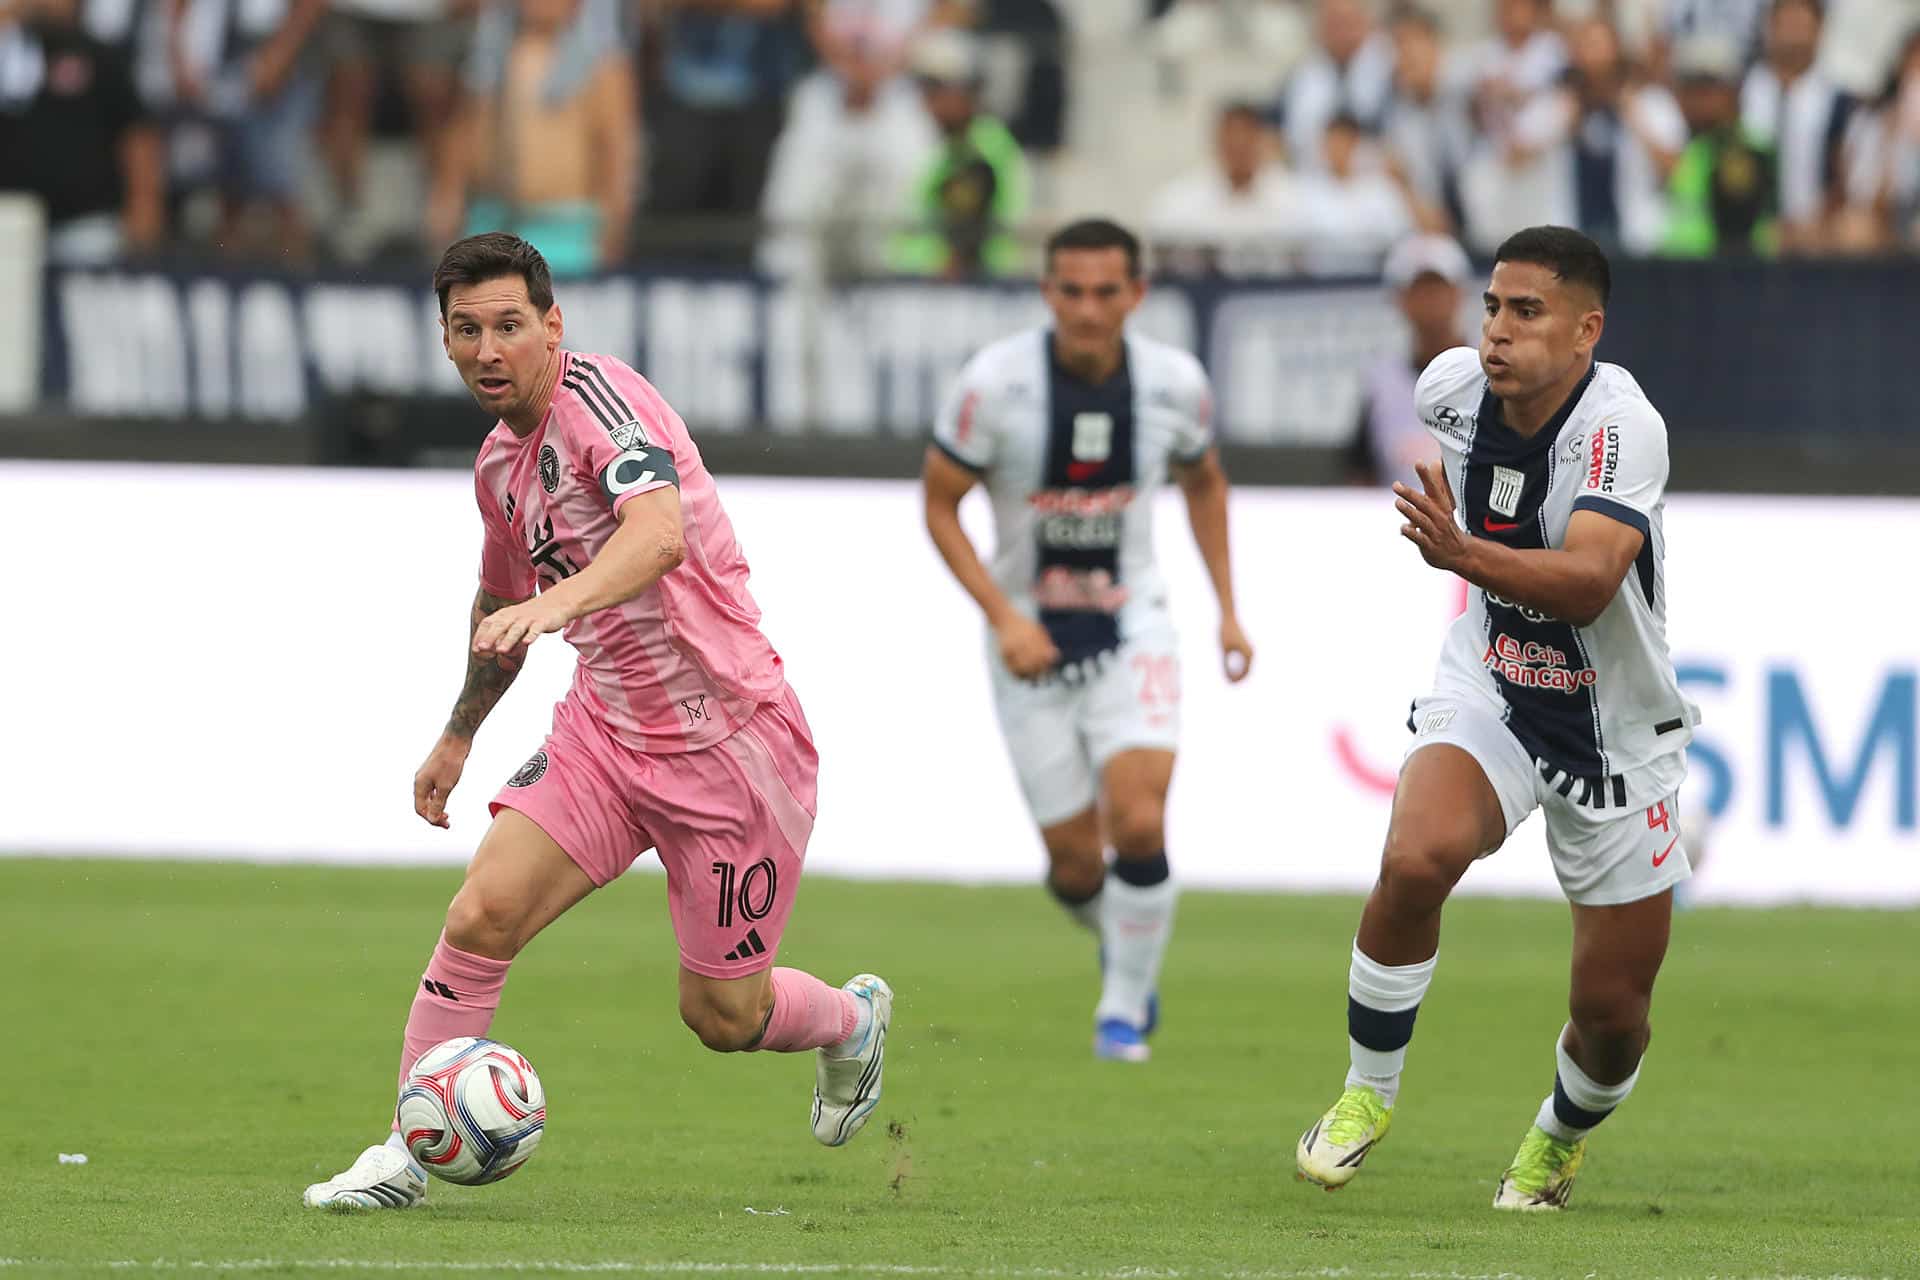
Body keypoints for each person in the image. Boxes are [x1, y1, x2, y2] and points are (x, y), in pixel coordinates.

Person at [302, 233, 892, 1210]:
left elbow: (658, 534)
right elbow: (497, 604)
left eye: (507, 325)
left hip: (733, 747)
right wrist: (459, 733)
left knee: (722, 1012)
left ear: (551, 326)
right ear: (444, 341)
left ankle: (847, 1021)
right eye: (466, 329)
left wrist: (557, 604)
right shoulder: (498, 465)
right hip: (607, 737)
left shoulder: (601, 404)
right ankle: (411, 1141)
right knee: (481, 912)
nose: (488, 348)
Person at [1295, 225, 1698, 1210]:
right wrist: (1469, 562)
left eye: (1528, 312)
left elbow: (1595, 580)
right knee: (1415, 855)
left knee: (1611, 1019)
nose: (1498, 332)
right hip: (1495, 683)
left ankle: (1558, 1138)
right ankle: (1363, 1095)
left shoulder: (1622, 425)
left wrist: (1463, 554)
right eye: (1491, 307)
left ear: (1585, 330)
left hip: (1613, 733)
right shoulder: (1450, 391)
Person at [920, 218, 1254, 1063]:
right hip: (1027, 636)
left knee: (1138, 822)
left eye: (1108, 291)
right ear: (1047, 292)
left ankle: (1121, 1012)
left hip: (1133, 622)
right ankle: (1120, 936)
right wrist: (1003, 615)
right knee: (1076, 866)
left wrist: (1227, 609)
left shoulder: (1175, 385)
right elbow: (938, 503)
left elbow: (1205, 483)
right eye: (1072, 290)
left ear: (1137, 294)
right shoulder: (994, 385)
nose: (1089, 308)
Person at [427, 0, 636, 276]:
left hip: (568, 229)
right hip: (492, 221)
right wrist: (447, 196)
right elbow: (464, 132)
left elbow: (616, 149)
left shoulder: (601, 65)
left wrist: (614, 227)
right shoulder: (492, 55)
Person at [0, 0, 165, 263]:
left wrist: (144, 207)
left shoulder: (101, 57)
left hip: (85, 226)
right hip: (11, 222)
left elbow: (137, 135)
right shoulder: (9, 51)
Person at [888, 27, 1028, 279]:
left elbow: (963, 247)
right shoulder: (954, 146)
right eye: (925, 89)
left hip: (963, 293)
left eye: (936, 89)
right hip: (932, 285)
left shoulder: (980, 151)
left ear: (967, 91)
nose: (928, 101)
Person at [1346, 232, 1473, 488]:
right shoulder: (1379, 384)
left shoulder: (1492, 375)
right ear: (1399, 300)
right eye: (1418, 290)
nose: (1429, 301)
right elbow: (1361, 475)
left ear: (1459, 293)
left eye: (1437, 288)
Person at [1144, 100, 1301, 277]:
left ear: (1261, 141)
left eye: (1246, 137)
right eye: (1231, 137)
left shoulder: (1293, 199)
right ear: (1216, 140)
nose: (1239, 145)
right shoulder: (1176, 202)